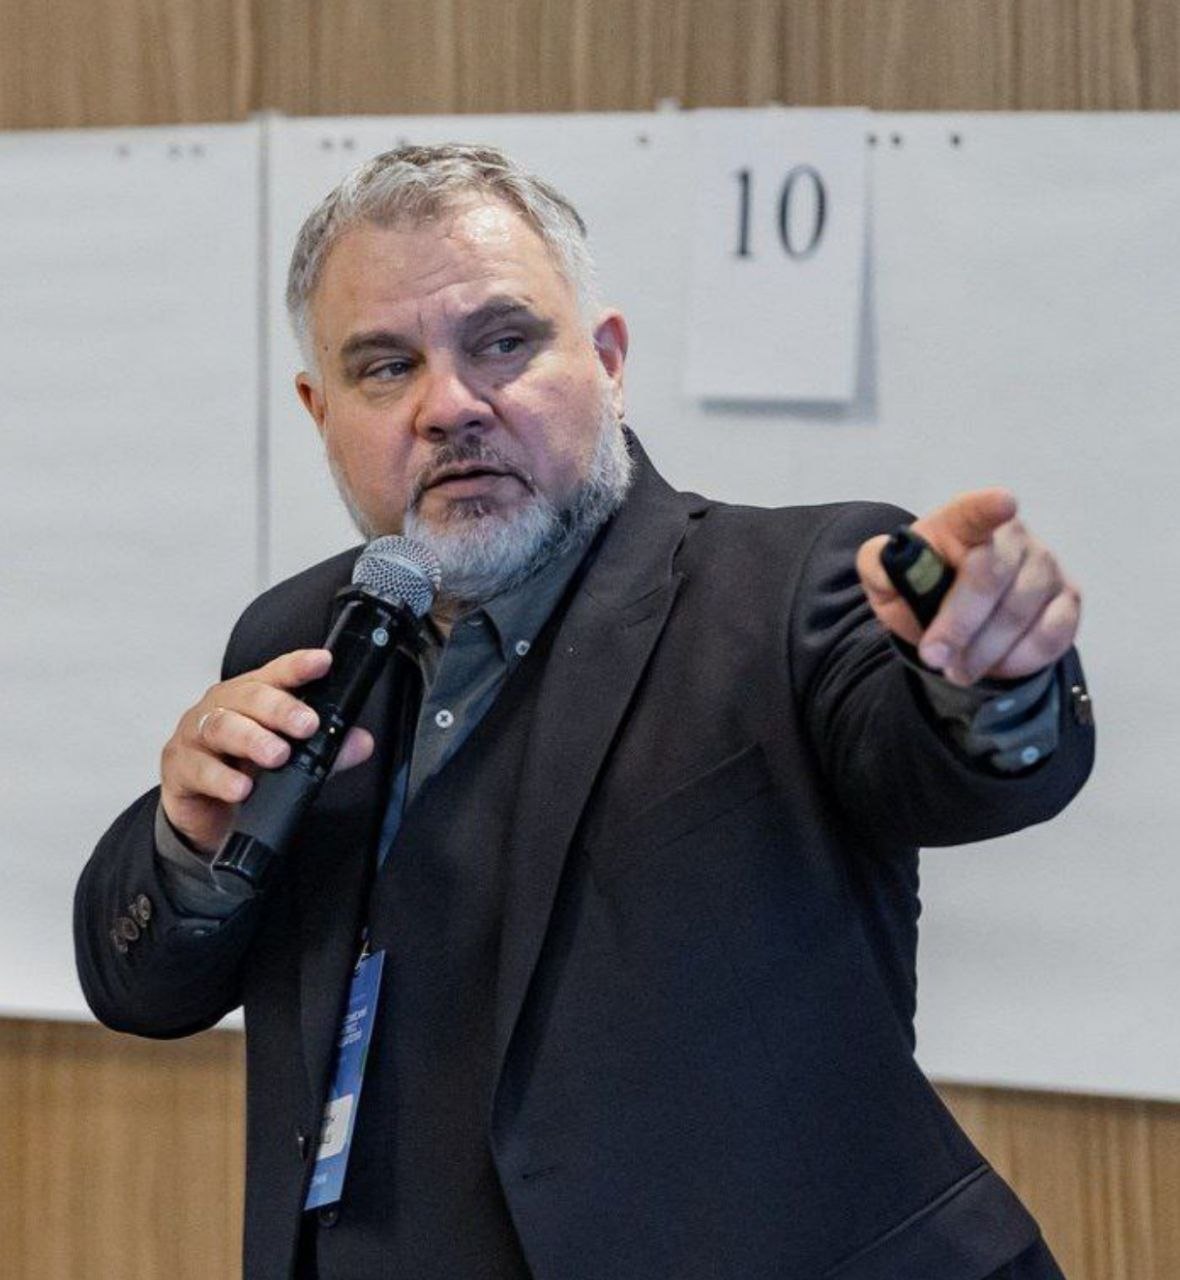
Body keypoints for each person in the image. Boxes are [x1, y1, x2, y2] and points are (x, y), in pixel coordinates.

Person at [75, 144, 1094, 1280]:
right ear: (321, 412)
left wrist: (990, 683)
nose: (449, 406)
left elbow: (942, 759)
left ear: (608, 362)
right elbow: (144, 986)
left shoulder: (787, 589)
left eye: (503, 343)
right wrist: (189, 849)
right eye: (385, 366)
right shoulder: (298, 637)